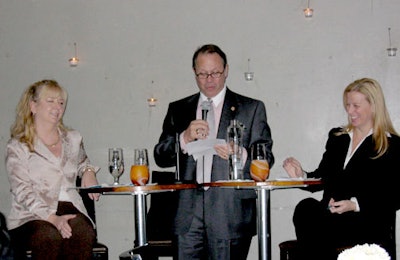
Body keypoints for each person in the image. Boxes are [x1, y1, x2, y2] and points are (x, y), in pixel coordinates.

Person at [154, 44, 274, 260]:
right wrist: (184, 138)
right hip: (186, 215)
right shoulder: (178, 109)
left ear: (226, 70)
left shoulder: (251, 108)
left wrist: (240, 154)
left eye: (215, 73)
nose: (209, 79)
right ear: (194, 73)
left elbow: (265, 155)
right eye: (202, 74)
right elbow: (160, 156)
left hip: (230, 213)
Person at [282, 78, 400, 260]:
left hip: (365, 221)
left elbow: (394, 195)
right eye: (347, 105)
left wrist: (355, 205)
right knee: (306, 208)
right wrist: (301, 175)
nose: (349, 111)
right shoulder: (338, 137)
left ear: (374, 106)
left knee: (318, 235)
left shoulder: (391, 144)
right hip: (330, 219)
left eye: (356, 106)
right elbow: (321, 177)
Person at [6, 79, 100, 260]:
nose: (57, 107)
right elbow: (22, 190)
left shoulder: (73, 139)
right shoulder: (18, 146)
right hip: (30, 215)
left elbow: (83, 161)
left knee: (83, 232)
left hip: (69, 207)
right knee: (48, 236)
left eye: (61, 102)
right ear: (33, 106)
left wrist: (88, 171)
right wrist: (52, 218)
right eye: (50, 101)